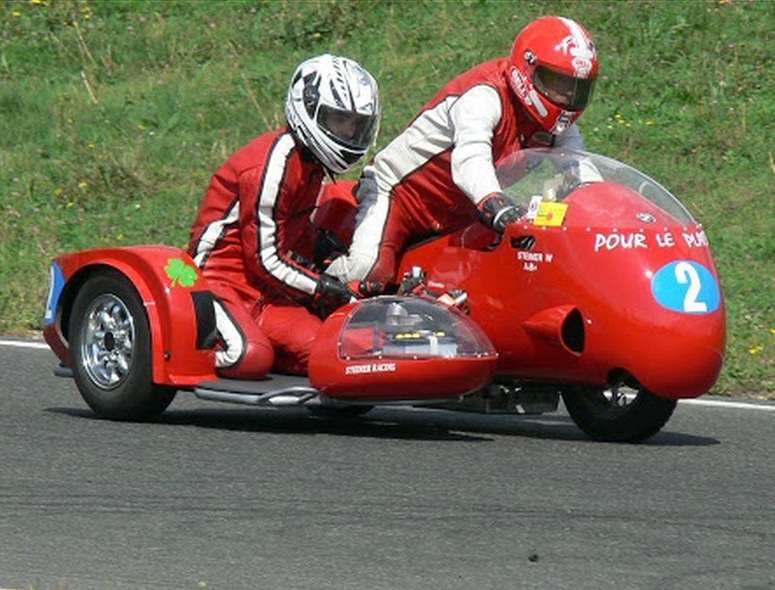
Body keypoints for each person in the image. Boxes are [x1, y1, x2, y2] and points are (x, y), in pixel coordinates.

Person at [325, 16, 599, 294]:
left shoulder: (557, 126)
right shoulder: (485, 95)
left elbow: (581, 168)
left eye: (576, 88)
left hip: (463, 215)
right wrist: (494, 202)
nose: (566, 97)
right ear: (526, 70)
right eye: (556, 82)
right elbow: (470, 159)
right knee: (368, 271)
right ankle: (313, 285)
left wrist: (602, 210)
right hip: (398, 195)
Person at [188, 54, 380, 377]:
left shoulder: (311, 164)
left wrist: (327, 251)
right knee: (248, 357)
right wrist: (323, 288)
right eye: (339, 120)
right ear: (309, 108)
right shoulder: (273, 164)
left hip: (267, 292)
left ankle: (264, 342)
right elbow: (264, 259)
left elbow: (293, 229)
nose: (349, 133)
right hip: (218, 281)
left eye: (355, 124)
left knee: (334, 351)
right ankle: (176, 343)